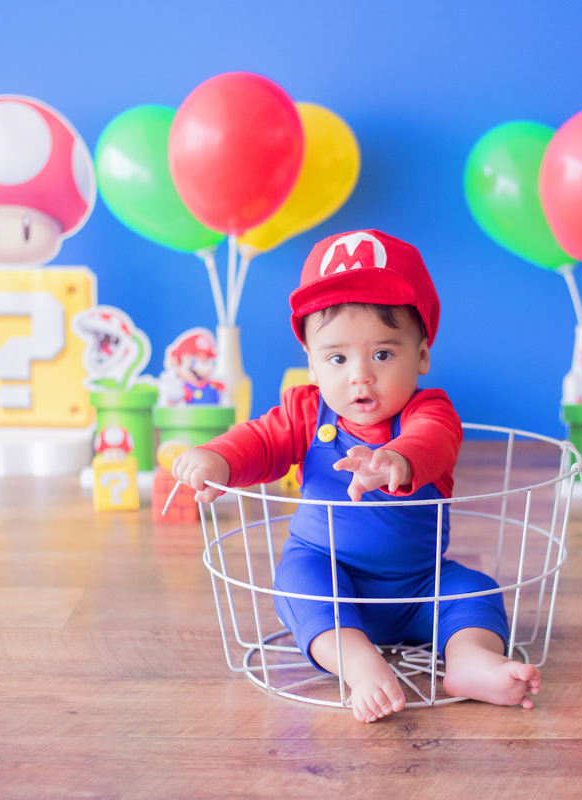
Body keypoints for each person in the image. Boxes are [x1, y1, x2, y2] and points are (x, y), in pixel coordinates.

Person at [170, 230, 541, 723]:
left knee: (476, 590)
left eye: (383, 355)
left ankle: (469, 659)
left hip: (420, 582)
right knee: (300, 586)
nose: (360, 375)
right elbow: (259, 440)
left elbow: (433, 440)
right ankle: (357, 663)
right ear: (312, 364)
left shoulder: (427, 412)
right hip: (328, 567)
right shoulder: (305, 411)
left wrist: (397, 459)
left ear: (422, 355)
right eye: (337, 358)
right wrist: (218, 459)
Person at [159, 327, 224, 405]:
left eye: (205, 361)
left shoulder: (215, 385)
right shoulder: (184, 390)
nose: (201, 367)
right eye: (193, 361)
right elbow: (172, 400)